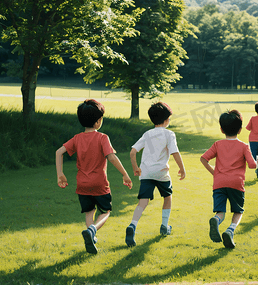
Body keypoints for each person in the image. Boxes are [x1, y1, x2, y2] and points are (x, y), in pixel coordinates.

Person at [56, 99, 132, 254]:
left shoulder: (77, 138)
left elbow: (59, 152)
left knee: (89, 211)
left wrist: (60, 174)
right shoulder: (102, 137)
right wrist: (125, 174)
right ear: (98, 122)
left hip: (82, 184)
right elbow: (111, 157)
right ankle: (92, 230)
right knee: (105, 212)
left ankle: (91, 236)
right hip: (99, 183)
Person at [125, 102, 186, 247]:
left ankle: (133, 225)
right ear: (166, 120)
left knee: (143, 202)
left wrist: (135, 167)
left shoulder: (147, 134)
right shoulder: (169, 134)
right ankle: (165, 226)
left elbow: (133, 151)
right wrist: (182, 168)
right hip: (161, 173)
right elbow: (175, 152)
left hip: (146, 172)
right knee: (167, 197)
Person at [200, 110, 256, 249]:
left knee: (220, 212)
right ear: (240, 129)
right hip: (236, 183)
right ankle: (230, 231)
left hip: (219, 183)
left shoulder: (218, 144)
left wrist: (215, 173)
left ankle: (216, 220)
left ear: (221, 129)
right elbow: (252, 165)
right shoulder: (244, 146)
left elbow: (203, 159)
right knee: (238, 211)